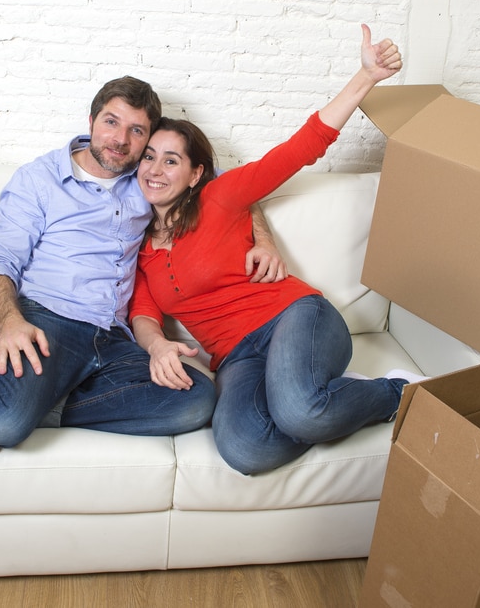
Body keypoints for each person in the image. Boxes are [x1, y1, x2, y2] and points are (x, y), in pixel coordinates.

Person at [0, 76, 286, 451]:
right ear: (91, 121)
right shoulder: (39, 180)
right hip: (48, 322)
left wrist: (263, 240)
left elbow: (224, 187)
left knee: (195, 400)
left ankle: (35, 404)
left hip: (115, 339)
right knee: (0, 423)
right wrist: (11, 323)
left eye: (136, 131)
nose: (120, 139)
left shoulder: (149, 182)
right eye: (111, 122)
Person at [129, 25, 421, 475]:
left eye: (172, 160)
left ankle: (395, 394)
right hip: (237, 358)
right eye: (149, 156)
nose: (155, 169)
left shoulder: (219, 197)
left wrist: (365, 77)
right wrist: (156, 348)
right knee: (246, 451)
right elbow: (144, 315)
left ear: (194, 175)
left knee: (299, 413)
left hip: (293, 318)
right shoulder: (137, 249)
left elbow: (298, 150)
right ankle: (327, 397)